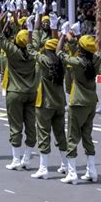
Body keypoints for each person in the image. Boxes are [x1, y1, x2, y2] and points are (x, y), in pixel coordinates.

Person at [0, 0, 37, 171]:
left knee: (15, 126)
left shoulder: (12, 51)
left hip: (15, 92)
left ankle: (16, 160)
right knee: (31, 126)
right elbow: (30, 41)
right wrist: (31, 29)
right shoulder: (33, 53)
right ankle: (27, 157)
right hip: (31, 92)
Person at [27, 11, 68, 179]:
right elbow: (59, 49)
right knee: (60, 134)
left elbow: (30, 50)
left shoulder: (44, 61)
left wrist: (30, 31)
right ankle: (65, 164)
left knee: (43, 134)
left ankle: (43, 167)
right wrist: (59, 33)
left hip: (45, 104)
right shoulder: (62, 61)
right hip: (60, 103)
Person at [58, 31, 101, 185]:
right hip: (91, 102)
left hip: (78, 103)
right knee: (87, 136)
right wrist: (77, 42)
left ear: (81, 49)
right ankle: (92, 171)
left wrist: (64, 36)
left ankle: (72, 173)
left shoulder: (76, 62)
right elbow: (90, 53)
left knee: (72, 137)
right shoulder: (97, 60)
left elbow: (59, 53)